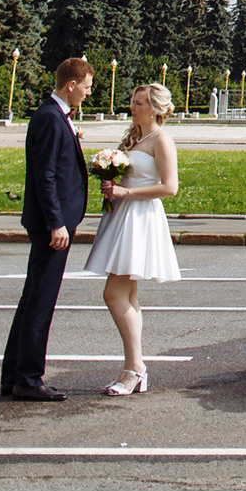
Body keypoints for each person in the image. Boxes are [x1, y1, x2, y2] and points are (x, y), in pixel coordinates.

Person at [2, 56, 92, 402]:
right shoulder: (51, 119)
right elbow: (46, 176)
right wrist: (57, 223)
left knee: (32, 300)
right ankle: (27, 378)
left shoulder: (53, 116)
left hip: (54, 224)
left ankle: (14, 375)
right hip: (52, 227)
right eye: (85, 87)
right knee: (40, 302)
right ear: (71, 85)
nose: (87, 94)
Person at [82, 81, 182, 395]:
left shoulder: (160, 140)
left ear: (155, 109)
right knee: (128, 295)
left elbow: (170, 187)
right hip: (123, 217)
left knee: (113, 294)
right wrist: (110, 181)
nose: (133, 107)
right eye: (133, 101)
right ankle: (134, 367)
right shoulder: (136, 139)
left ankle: (135, 367)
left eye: (140, 103)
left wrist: (127, 191)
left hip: (140, 220)